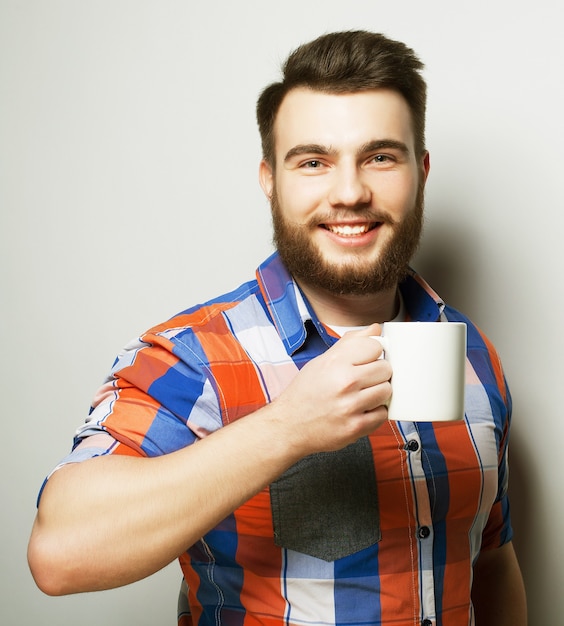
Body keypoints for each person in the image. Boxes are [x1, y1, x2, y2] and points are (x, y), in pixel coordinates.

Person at [28, 30, 527, 625]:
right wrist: (287, 428)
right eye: (313, 162)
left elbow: (491, 562)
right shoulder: (192, 359)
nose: (350, 192)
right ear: (271, 179)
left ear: (420, 170)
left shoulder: (473, 354)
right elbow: (60, 554)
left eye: (380, 157)